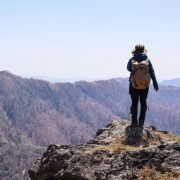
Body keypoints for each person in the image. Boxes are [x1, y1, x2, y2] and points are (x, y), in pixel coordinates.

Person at [127, 44, 159, 128]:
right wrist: (155, 83)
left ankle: (134, 122)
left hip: (134, 84)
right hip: (145, 86)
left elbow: (128, 68)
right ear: (143, 51)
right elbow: (152, 72)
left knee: (134, 103)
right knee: (143, 103)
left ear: (135, 50)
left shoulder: (132, 59)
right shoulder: (147, 60)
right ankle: (141, 123)